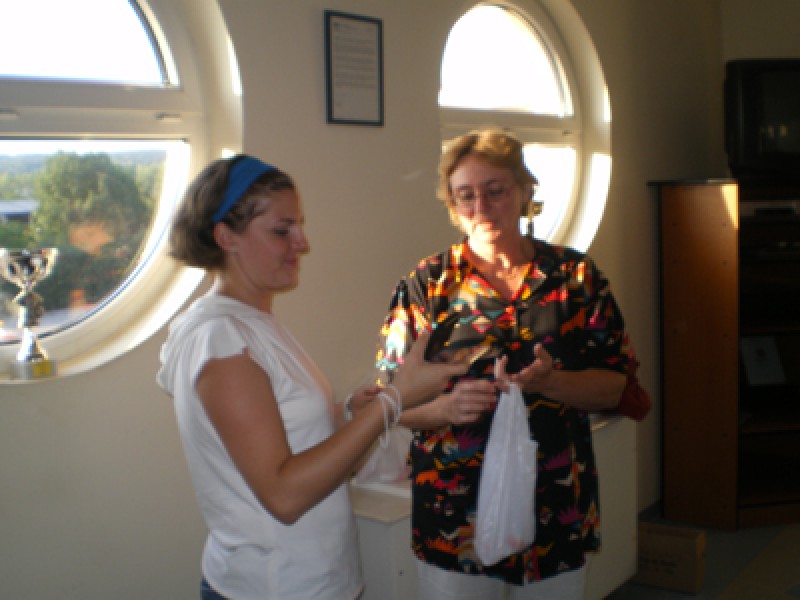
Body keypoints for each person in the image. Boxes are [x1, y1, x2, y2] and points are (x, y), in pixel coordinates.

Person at [156, 154, 470, 600]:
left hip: (317, 581)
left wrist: (351, 415)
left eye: (299, 226)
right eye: (281, 230)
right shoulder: (220, 339)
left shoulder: (254, 323)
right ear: (226, 236)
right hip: (273, 586)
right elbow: (284, 496)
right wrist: (393, 400)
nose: (301, 243)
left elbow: (300, 445)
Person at [374, 129, 650, 600]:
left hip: (555, 502)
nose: (481, 207)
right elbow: (389, 401)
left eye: (495, 190)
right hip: (454, 508)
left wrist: (551, 382)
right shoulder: (428, 284)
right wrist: (447, 409)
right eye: (466, 195)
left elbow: (615, 386)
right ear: (452, 203)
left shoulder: (576, 278)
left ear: (524, 191)